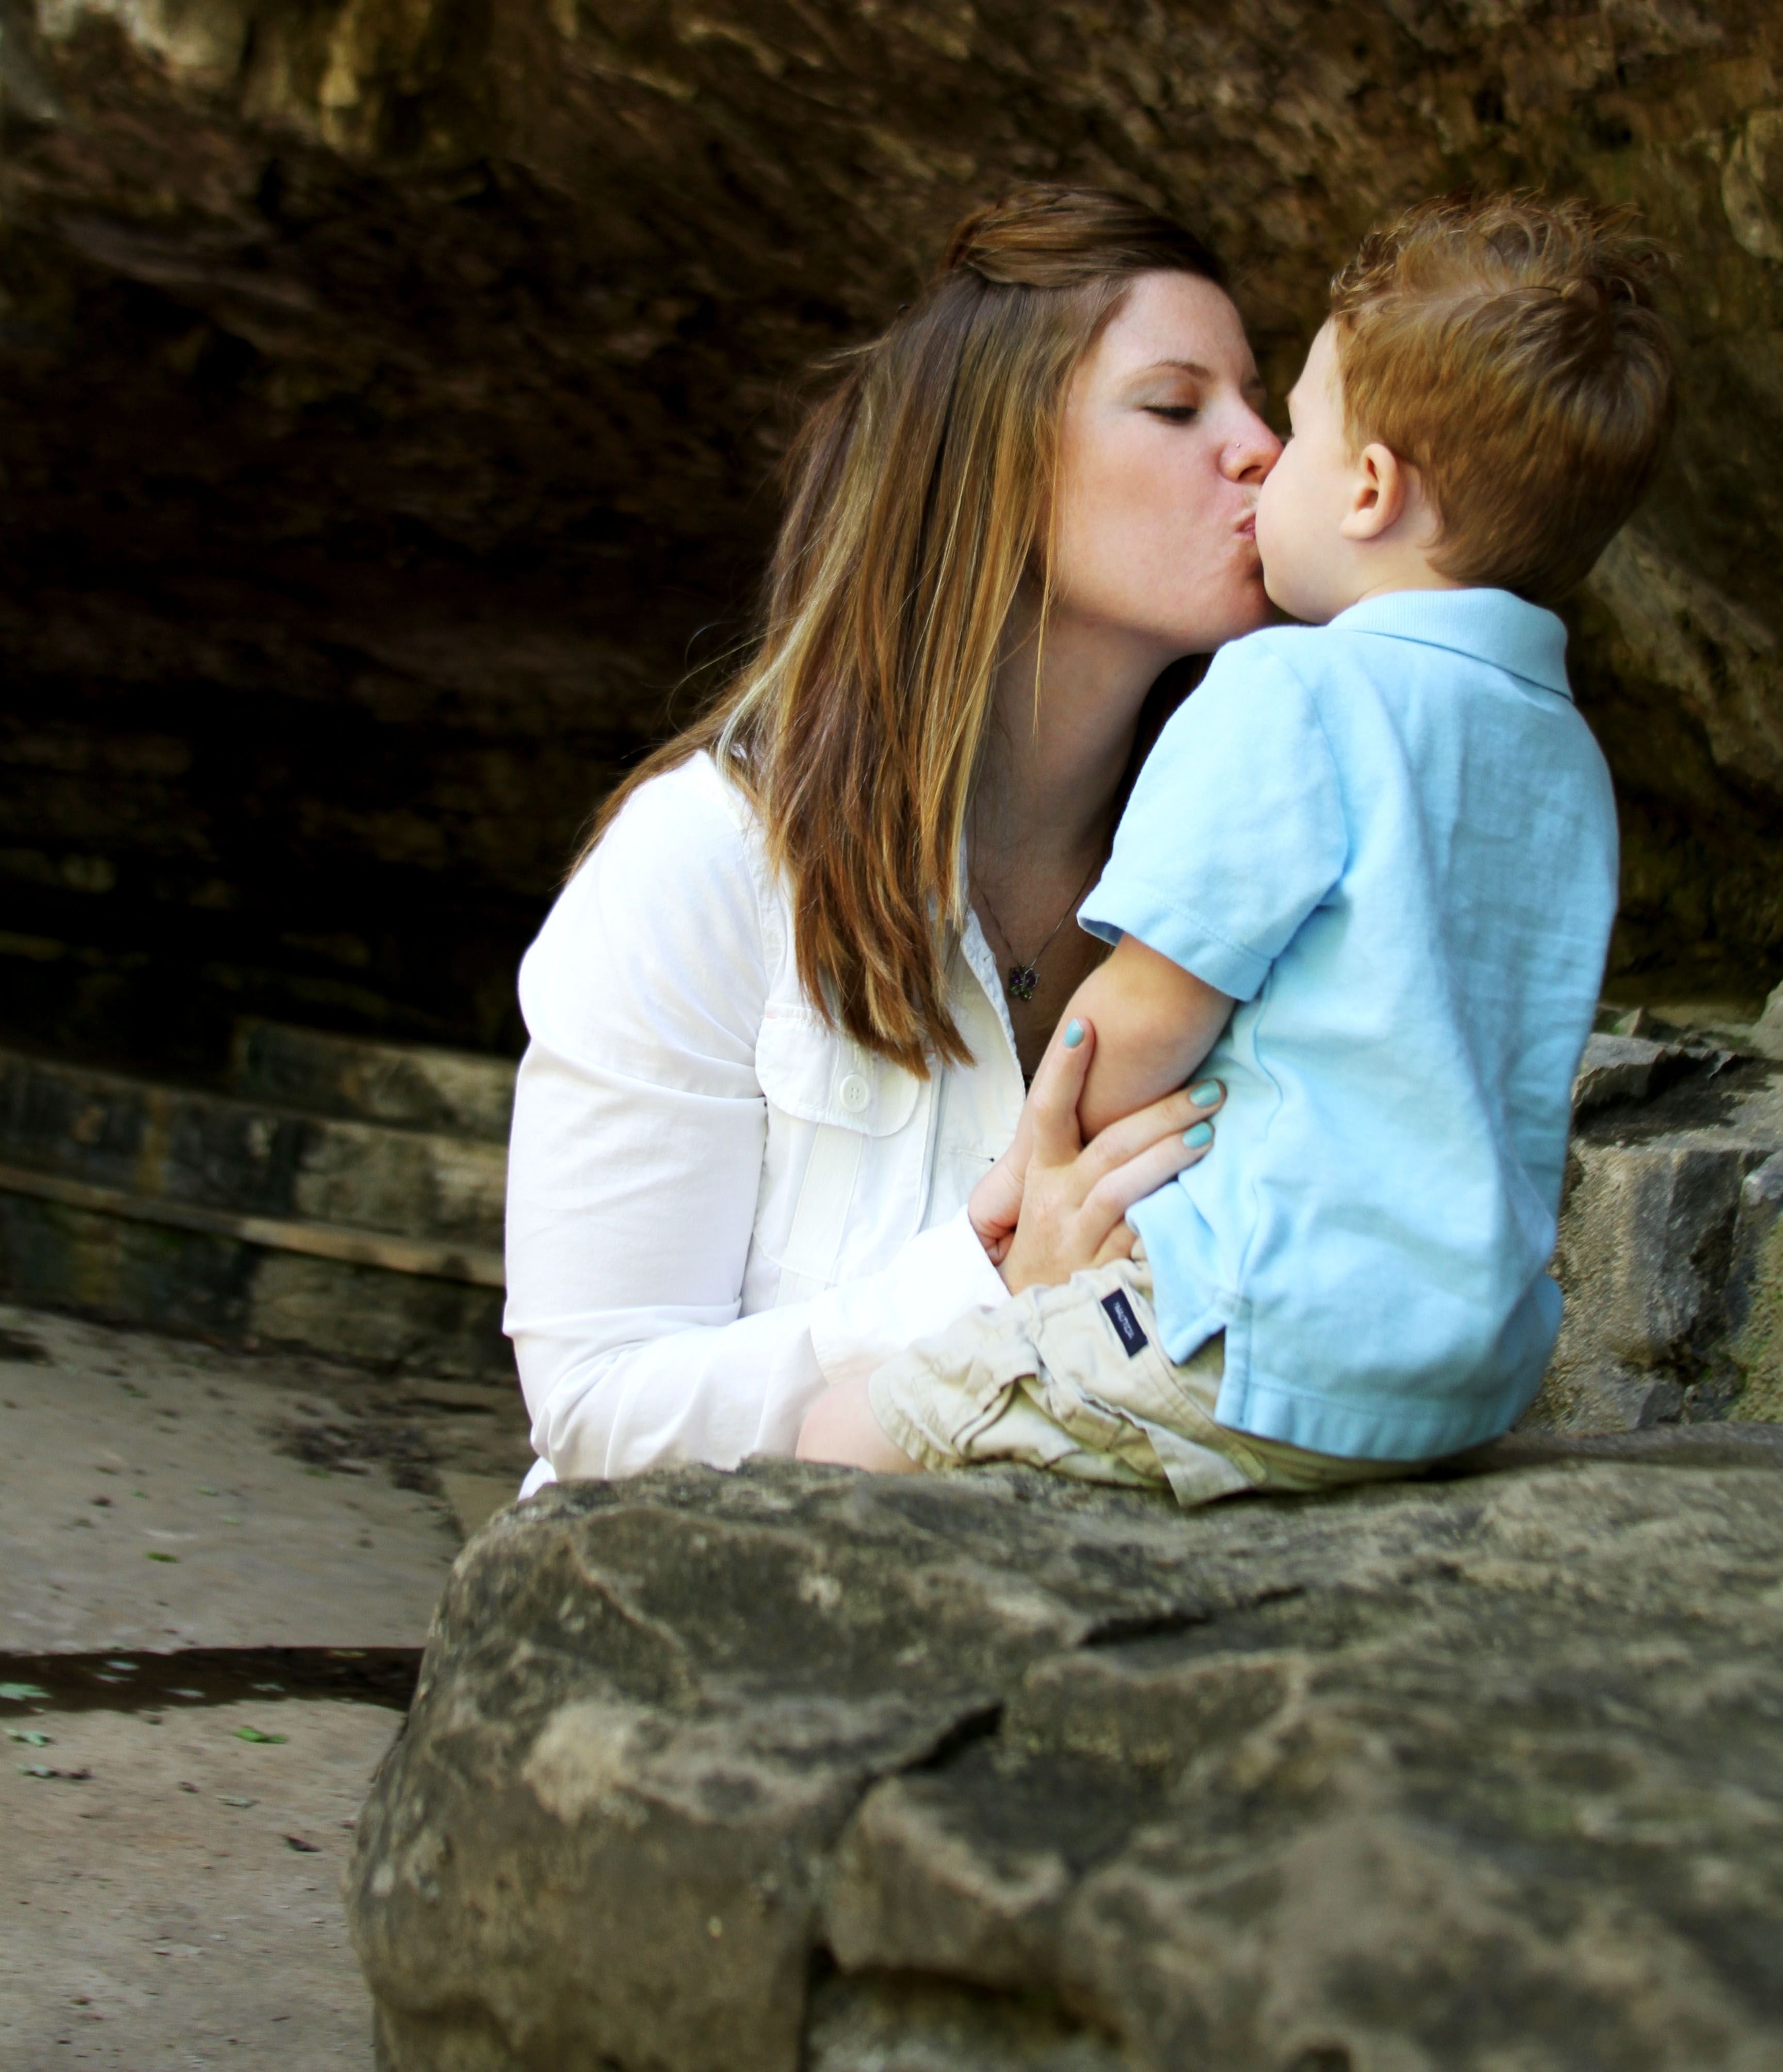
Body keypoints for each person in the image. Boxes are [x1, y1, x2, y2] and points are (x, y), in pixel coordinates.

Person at [800, 195, 1677, 1500]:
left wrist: (1018, 1185)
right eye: (1182, 407)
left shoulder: (1290, 693)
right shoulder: (1563, 758)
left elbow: (1148, 1013)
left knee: (840, 1432)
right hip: (1467, 1369)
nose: (1266, 454)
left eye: (1299, 425)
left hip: (1257, 1325)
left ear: (1371, 489)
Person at [504, 187, 1281, 1485]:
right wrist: (987, 1288)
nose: (1265, 447)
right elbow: (592, 1411)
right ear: (990, 468)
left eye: (1263, 403)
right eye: (1176, 404)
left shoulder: (1263, 880)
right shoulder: (705, 864)